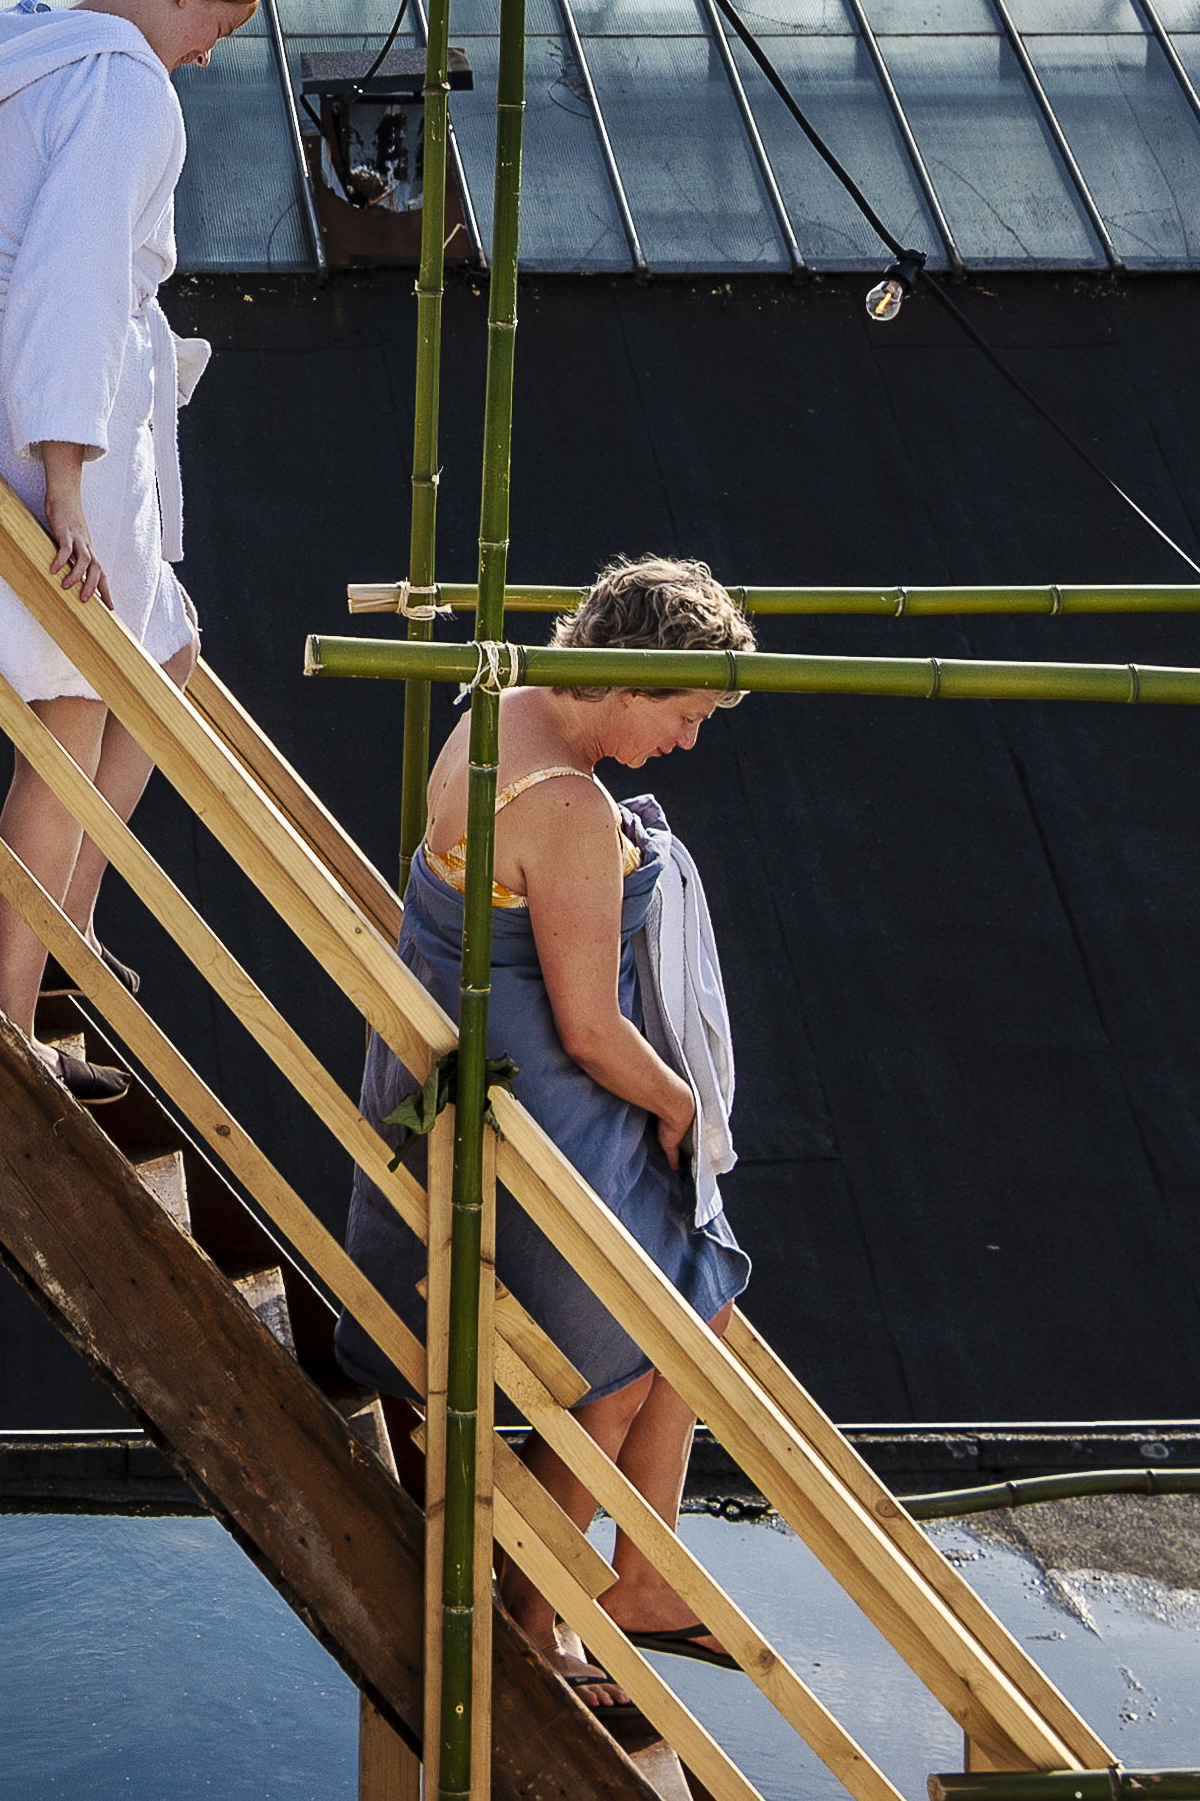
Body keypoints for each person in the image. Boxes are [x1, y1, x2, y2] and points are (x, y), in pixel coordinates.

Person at [337, 553, 760, 1709]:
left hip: (478, 1078)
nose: (683, 743)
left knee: (704, 1298)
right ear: (625, 684)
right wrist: (682, 1102)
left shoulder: (503, 705)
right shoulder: (569, 809)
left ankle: (645, 1582)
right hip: (535, 1108)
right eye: (683, 714)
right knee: (627, 1358)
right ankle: (537, 1617)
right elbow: (589, 1026)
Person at [0, 0, 263, 1092]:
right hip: (45, 400)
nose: (205, 58)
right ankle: (17, 1013)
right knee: (70, 709)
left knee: (159, 663)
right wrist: (62, 478)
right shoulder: (119, 92)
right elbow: (64, 275)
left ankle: (59, 931)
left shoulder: (18, 61)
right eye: (212, 27)